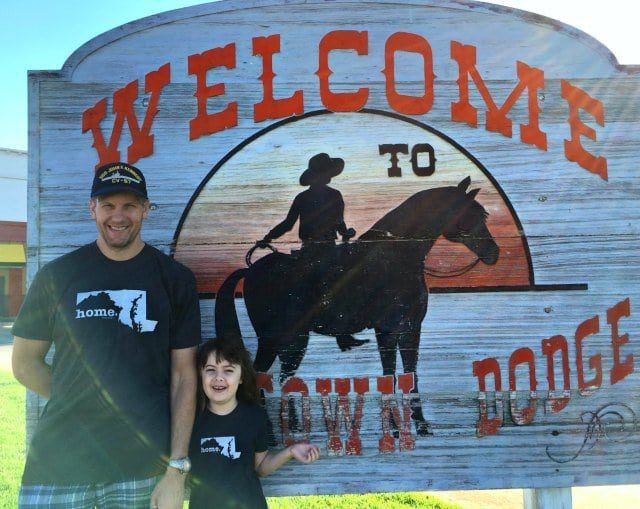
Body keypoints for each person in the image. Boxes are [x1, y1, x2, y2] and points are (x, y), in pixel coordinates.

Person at [11, 162, 201, 509]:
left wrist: (176, 469)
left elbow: (184, 376)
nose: (119, 215)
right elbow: (24, 363)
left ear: (145, 209)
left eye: (129, 205)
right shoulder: (57, 276)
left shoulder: (175, 280)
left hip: (142, 470)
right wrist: (79, 397)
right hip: (58, 464)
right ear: (92, 208)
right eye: (108, 205)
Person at [189, 338, 320, 509]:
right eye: (211, 370)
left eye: (228, 370)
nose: (218, 378)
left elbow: (260, 466)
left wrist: (290, 452)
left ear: (241, 376)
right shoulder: (191, 419)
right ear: (200, 374)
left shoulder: (254, 416)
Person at [258, 153, 365, 352]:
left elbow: (287, 224)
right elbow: (339, 224)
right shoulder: (334, 195)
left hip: (308, 250)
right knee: (343, 283)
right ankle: (342, 333)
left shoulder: (302, 197)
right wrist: (346, 233)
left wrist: (268, 237)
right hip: (327, 249)